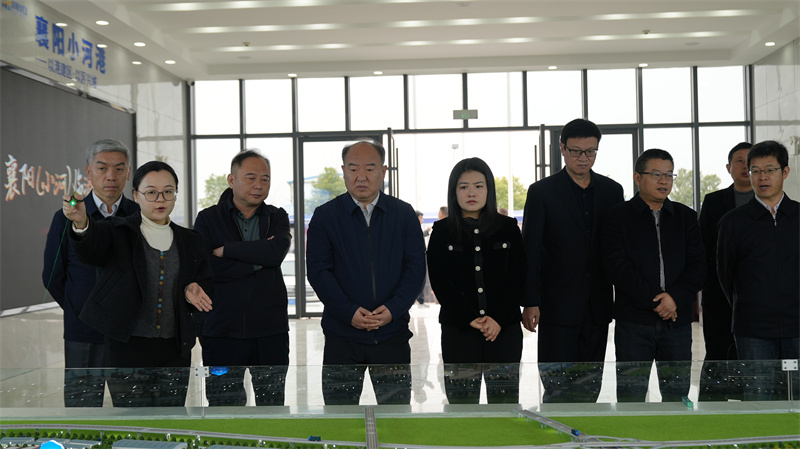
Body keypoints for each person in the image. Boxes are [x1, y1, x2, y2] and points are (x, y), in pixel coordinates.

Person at [63, 161, 213, 407]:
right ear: (136, 195)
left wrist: (190, 290)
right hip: (127, 347)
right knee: (132, 417)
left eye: (168, 191)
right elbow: (91, 249)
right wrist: (81, 223)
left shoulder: (191, 240)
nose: (160, 199)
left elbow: (205, 282)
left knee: (171, 417)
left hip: (175, 348)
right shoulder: (118, 231)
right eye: (151, 192)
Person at [306, 139, 426, 405]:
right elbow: (318, 271)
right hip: (341, 337)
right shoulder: (326, 216)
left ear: (383, 172)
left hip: (392, 335)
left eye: (370, 168)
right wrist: (348, 312)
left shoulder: (403, 214)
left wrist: (393, 309)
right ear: (343, 171)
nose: (361, 176)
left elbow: (416, 268)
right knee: (340, 415)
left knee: (395, 416)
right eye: (353, 169)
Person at [521, 118, 624, 402]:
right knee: (557, 386)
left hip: (597, 306)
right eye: (576, 151)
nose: (583, 158)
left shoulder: (612, 191)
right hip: (556, 306)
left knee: (590, 384)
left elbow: (617, 249)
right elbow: (530, 250)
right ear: (562, 149)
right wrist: (530, 301)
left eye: (590, 151)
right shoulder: (542, 192)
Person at [601, 149, 706, 402]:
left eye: (669, 175)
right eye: (656, 174)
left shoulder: (685, 216)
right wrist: (658, 301)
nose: (664, 181)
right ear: (638, 177)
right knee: (631, 396)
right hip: (634, 322)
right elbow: (617, 268)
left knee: (677, 396)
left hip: (677, 322)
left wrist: (674, 298)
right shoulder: (617, 217)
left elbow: (698, 266)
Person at [42, 139, 140, 407]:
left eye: (119, 168)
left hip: (129, 334)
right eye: (102, 168)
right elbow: (52, 276)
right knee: (81, 411)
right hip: (83, 332)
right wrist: (82, 310)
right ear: (89, 172)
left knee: (134, 410)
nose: (111, 176)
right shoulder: (66, 216)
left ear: (128, 172)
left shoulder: (139, 215)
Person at [194, 149, 292, 406]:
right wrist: (257, 262)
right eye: (251, 178)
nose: (258, 185)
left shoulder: (277, 216)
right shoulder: (208, 218)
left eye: (265, 179)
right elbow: (207, 267)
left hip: (270, 331)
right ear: (231, 180)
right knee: (223, 403)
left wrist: (226, 250)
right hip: (221, 330)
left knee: (272, 403)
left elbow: (275, 253)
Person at [427, 158, 526, 404]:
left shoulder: (508, 228)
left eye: (479, 186)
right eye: (464, 187)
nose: (471, 193)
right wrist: (469, 317)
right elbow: (440, 281)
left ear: (489, 189)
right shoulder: (441, 231)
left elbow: (518, 276)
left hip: (504, 330)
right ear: (454, 191)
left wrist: (497, 318)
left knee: (504, 403)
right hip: (459, 331)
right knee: (462, 404)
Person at [717, 140, 799, 401]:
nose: (763, 177)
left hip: (798, 326)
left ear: (785, 172)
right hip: (753, 329)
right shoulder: (733, 222)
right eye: (756, 171)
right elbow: (725, 275)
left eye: (770, 170)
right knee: (758, 398)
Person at [697, 142, 752, 401]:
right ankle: (714, 404)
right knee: (718, 351)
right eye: (739, 161)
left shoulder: (769, 202)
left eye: (750, 161)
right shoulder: (714, 202)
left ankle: (749, 402)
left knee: (752, 354)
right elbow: (703, 247)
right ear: (729, 168)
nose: (745, 166)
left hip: (757, 298)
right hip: (718, 295)